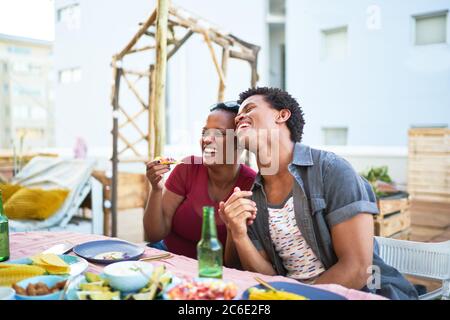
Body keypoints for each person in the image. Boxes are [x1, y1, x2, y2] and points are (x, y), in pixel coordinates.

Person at [219, 87, 418, 299]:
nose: (239, 116)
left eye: (249, 108)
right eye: (237, 116)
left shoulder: (331, 171)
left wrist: (298, 297)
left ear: (282, 115)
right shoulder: (253, 196)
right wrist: (238, 234)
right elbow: (268, 277)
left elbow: (358, 269)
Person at [143, 102, 256, 261]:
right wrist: (155, 189)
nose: (207, 139)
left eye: (219, 134)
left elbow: (234, 264)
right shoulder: (187, 167)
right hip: (167, 257)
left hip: (213, 271)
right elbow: (153, 235)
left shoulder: (251, 186)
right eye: (205, 132)